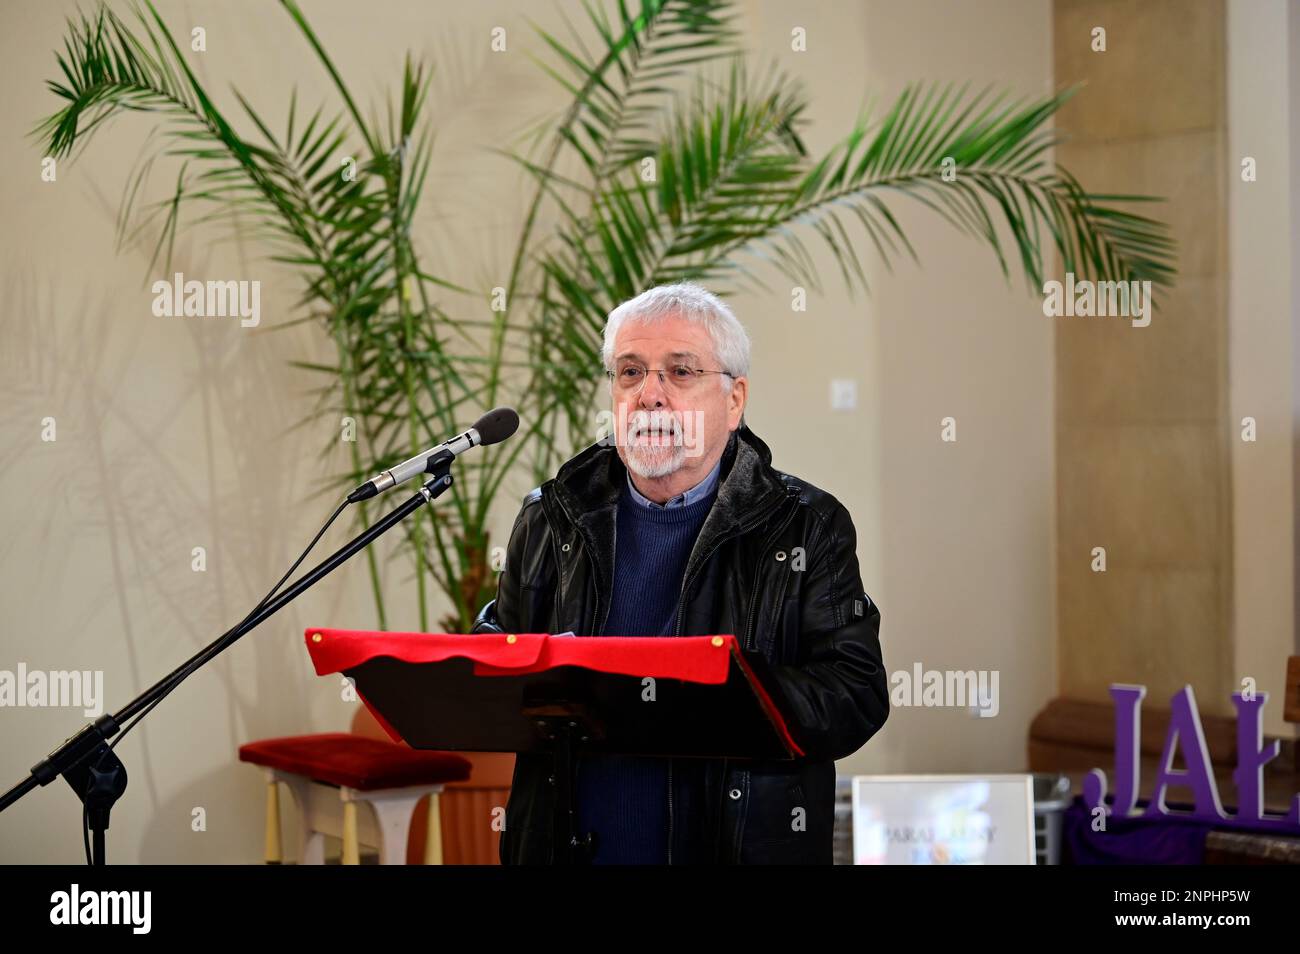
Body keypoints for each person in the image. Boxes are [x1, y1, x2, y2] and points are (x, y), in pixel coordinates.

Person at [472, 282, 889, 864]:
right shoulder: (549, 518)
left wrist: (721, 695)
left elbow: (856, 694)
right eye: (630, 372)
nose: (650, 395)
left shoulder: (806, 527)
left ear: (735, 400)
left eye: (681, 372)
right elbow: (499, 659)